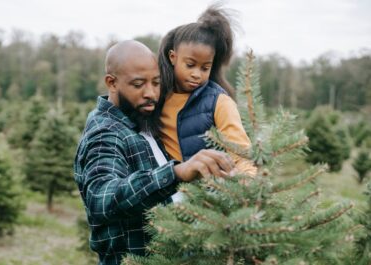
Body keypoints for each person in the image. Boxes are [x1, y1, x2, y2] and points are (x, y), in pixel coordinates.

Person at [74, 40, 236, 265]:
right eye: (138, 84)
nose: (150, 93)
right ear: (112, 83)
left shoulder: (142, 121)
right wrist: (176, 173)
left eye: (156, 82)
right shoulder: (105, 133)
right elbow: (102, 198)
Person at [158, 5, 257, 181]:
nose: (197, 74)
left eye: (205, 68)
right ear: (173, 57)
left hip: (207, 200)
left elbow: (241, 153)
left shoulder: (219, 102)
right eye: (190, 65)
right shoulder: (157, 98)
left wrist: (248, 182)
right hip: (166, 196)